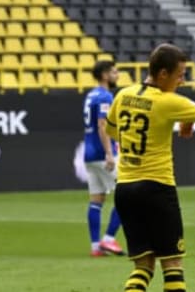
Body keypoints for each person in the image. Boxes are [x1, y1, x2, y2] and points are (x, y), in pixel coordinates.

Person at [105, 43, 195, 292]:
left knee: (143, 268)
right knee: (172, 265)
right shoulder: (168, 101)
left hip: (125, 190)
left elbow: (111, 131)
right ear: (163, 74)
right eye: (180, 75)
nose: (182, 81)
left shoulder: (122, 95)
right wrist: (187, 116)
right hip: (156, 188)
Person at [82, 60, 124, 257]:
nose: (117, 75)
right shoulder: (105, 96)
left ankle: (95, 247)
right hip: (102, 153)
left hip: (89, 153)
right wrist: (109, 153)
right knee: (128, 196)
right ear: (105, 75)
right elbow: (102, 125)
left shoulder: (91, 95)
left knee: (96, 199)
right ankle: (108, 239)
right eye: (114, 72)